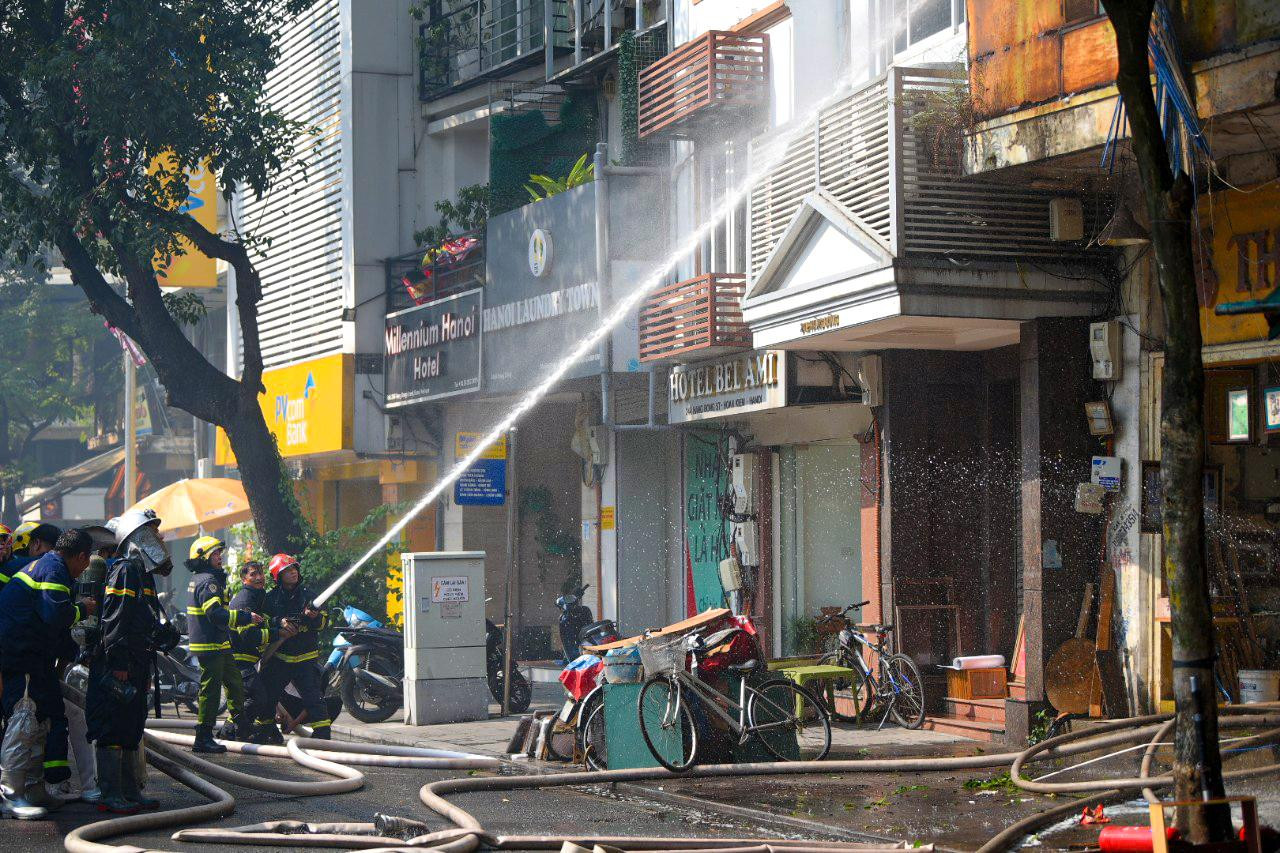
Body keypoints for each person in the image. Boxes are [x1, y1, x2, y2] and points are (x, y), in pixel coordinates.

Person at [85, 509, 179, 815]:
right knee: (112, 726)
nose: (160, 539)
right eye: (153, 533)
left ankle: (128, 792)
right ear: (136, 538)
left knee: (131, 725)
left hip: (137, 662)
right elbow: (115, 622)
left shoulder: (143, 574)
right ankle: (110, 793)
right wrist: (119, 665)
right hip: (119, 664)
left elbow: (142, 619)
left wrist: (161, 635)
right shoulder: (124, 570)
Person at [0, 529, 96, 819]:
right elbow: (56, 615)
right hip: (21, 657)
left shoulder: (51, 567)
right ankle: (10, 795)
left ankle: (32, 789)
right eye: (87, 561)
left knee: (44, 719)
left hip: (34, 657)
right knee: (24, 720)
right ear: (80, 556)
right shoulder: (52, 569)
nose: (86, 568)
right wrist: (83, 609)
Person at [184, 537, 261, 753]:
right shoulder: (209, 581)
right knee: (211, 690)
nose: (220, 557)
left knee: (235, 682)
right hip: (210, 644)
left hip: (219, 642)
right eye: (216, 554)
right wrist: (246, 618)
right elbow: (215, 614)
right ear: (204, 557)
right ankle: (203, 737)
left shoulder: (202, 578)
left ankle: (241, 726)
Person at [244, 554, 330, 743]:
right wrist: (279, 622)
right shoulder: (271, 598)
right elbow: (263, 622)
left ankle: (323, 737)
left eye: (294, 569)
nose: (293, 573)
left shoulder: (309, 595)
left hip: (305, 658)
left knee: (314, 699)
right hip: (280, 656)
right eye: (288, 570)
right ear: (278, 576)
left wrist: (314, 617)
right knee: (268, 695)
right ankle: (265, 730)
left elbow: (323, 623)